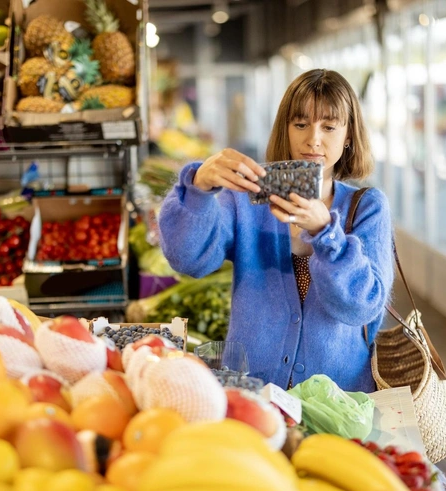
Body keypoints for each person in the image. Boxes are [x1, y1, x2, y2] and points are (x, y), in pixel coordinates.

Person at [158, 69, 394, 393]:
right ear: (285, 128)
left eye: (328, 126)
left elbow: (362, 307)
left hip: (339, 402)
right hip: (253, 396)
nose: (313, 139)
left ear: (349, 135)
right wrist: (198, 188)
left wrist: (325, 232)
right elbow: (189, 260)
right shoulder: (246, 198)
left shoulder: (366, 207)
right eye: (300, 124)